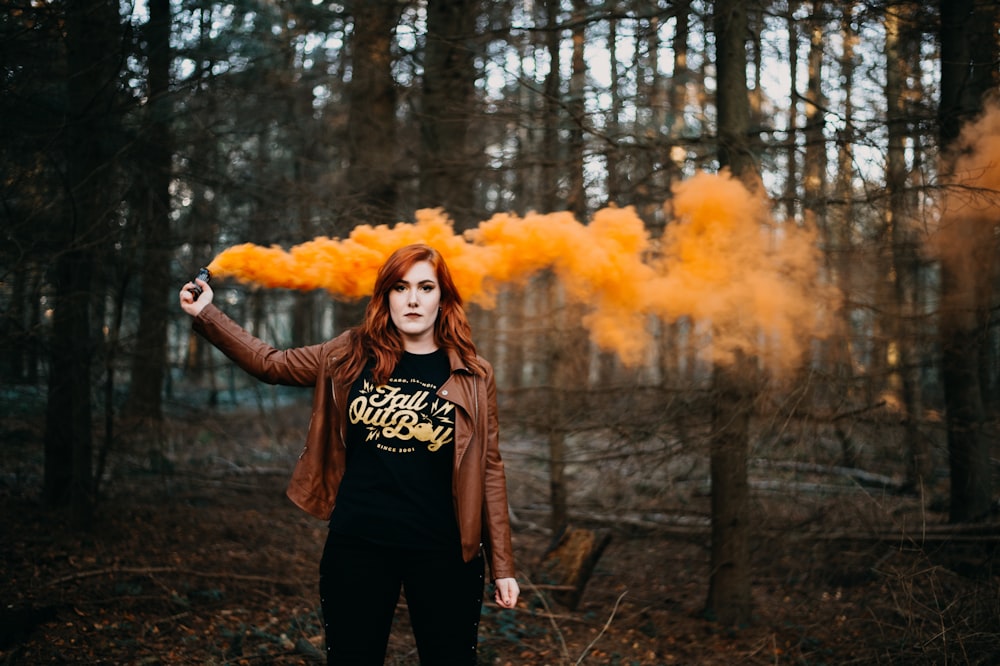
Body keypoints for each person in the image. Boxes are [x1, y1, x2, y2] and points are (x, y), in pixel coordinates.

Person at [179, 243, 519, 665]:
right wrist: (206, 315)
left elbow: (489, 469)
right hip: (359, 546)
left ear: (443, 298)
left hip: (444, 551)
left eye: (425, 287)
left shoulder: (473, 373)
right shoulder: (348, 354)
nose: (412, 299)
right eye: (400, 287)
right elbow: (270, 363)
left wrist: (503, 566)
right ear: (385, 297)